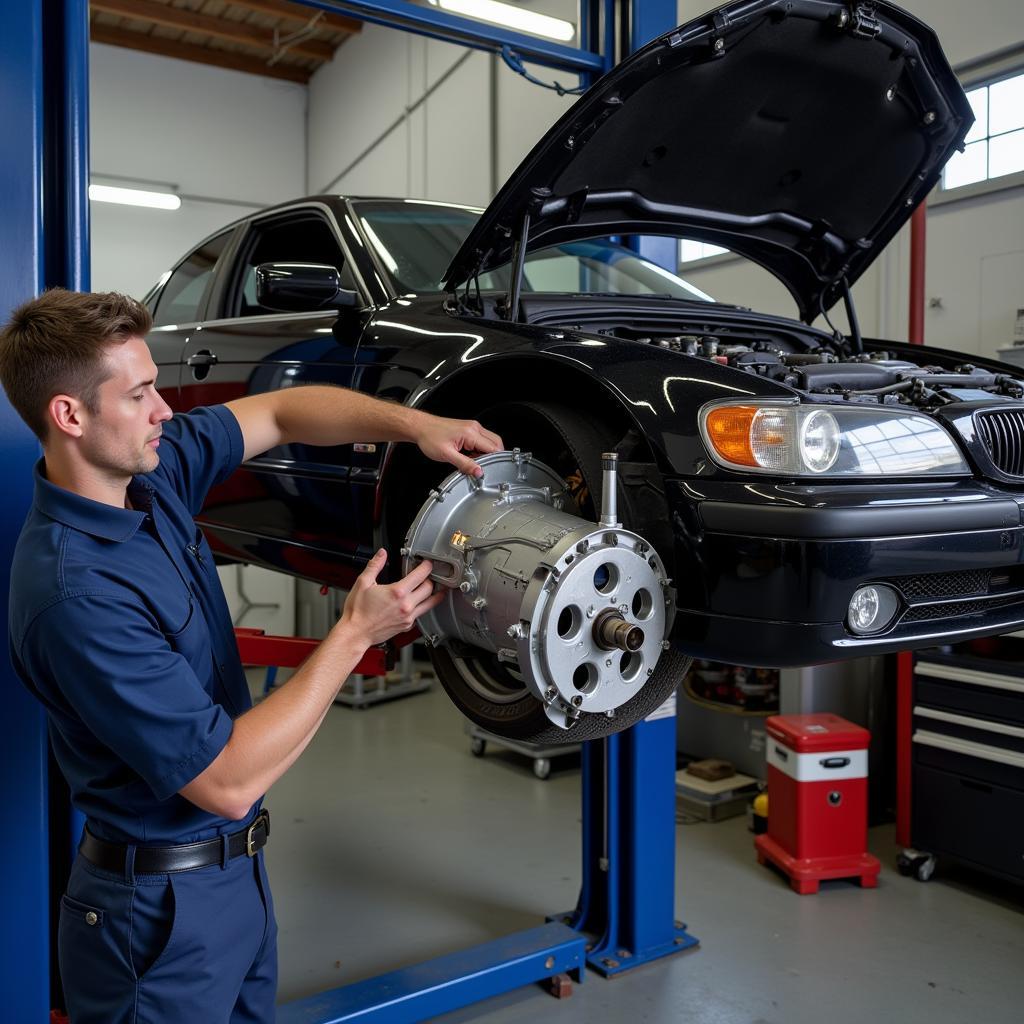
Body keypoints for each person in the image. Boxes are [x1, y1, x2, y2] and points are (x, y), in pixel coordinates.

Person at [0, 288, 503, 1023]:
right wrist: (354, 634)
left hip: (236, 880)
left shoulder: (152, 480)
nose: (163, 411)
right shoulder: (74, 595)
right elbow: (228, 781)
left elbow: (279, 411)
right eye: (140, 394)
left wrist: (419, 426)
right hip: (155, 923)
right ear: (70, 416)